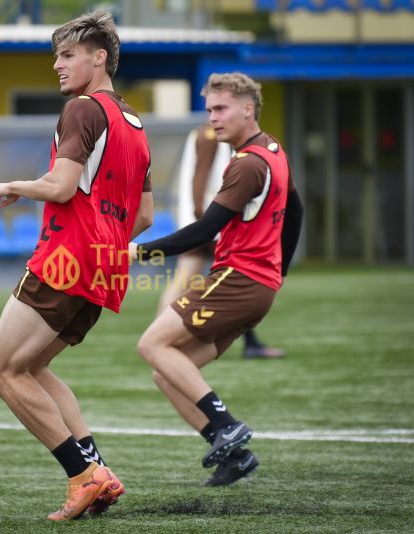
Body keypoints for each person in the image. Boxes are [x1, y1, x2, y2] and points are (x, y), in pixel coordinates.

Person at [0, 11, 153, 521]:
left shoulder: (82, 109)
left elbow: (61, 187)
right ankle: (100, 472)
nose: (57, 65)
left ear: (99, 58)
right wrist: (102, 239)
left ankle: (83, 476)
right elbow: (144, 216)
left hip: (65, 261)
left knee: (2, 371)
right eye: (57, 55)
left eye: (68, 54)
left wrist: (12, 184)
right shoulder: (135, 124)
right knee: (32, 367)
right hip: (105, 267)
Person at [132, 72, 303, 487]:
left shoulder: (246, 165)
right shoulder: (273, 149)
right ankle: (234, 454)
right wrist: (278, 273)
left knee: (151, 344)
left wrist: (138, 252)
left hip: (237, 279)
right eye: (209, 109)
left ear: (248, 108)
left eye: (221, 108)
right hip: (256, 286)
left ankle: (226, 424)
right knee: (167, 370)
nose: (214, 118)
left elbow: (203, 231)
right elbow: (296, 211)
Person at [157, 123, 285, 359]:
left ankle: (159, 335)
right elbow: (200, 178)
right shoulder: (209, 136)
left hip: (201, 220)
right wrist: (205, 222)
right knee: (239, 277)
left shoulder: (203, 133)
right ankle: (161, 336)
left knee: (184, 280)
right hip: (208, 222)